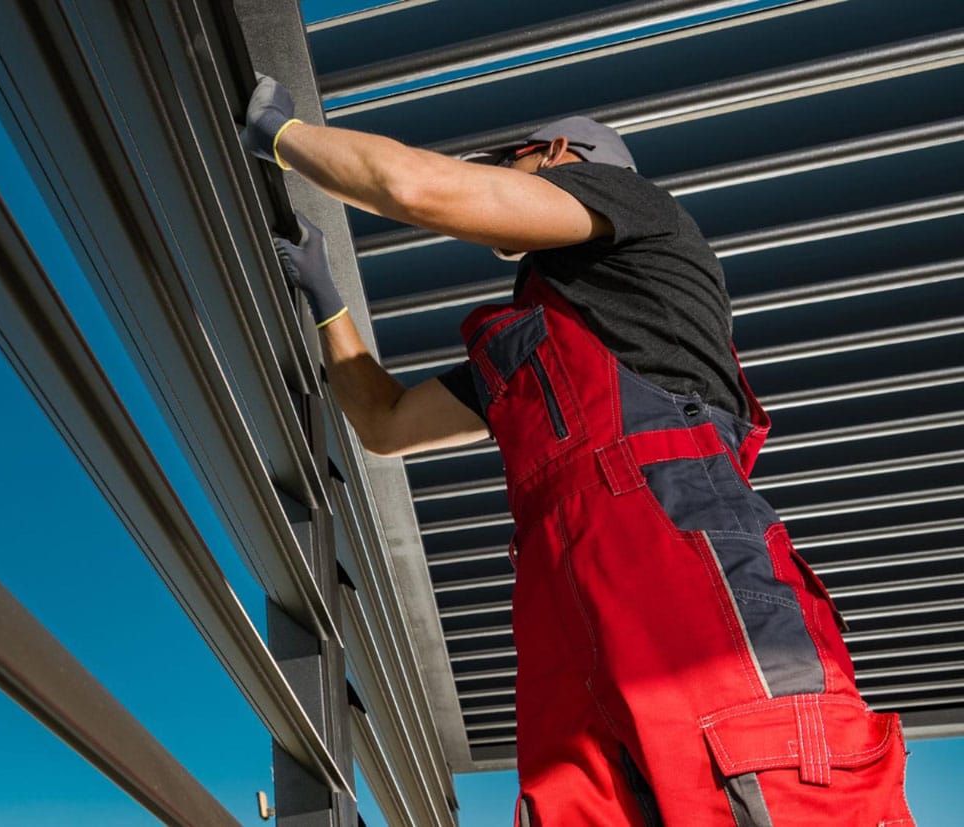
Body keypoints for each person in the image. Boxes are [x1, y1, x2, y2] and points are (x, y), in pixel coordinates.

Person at [242, 76, 914, 826]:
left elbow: (417, 188)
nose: (498, 180)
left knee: (772, 785)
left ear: (560, 154)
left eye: (508, 163)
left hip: (679, 539)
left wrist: (283, 138)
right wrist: (328, 304)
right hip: (568, 596)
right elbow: (386, 422)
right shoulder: (540, 355)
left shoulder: (637, 208)